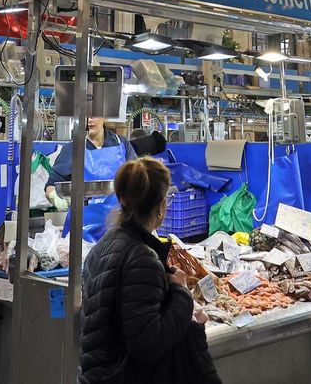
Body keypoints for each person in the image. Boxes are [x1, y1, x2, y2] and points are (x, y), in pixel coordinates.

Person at [79, 156, 217, 384]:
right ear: (161, 206)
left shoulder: (102, 246)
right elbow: (148, 345)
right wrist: (182, 294)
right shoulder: (142, 258)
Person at [49, 116, 135, 184]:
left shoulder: (120, 143)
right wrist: (54, 196)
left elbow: (136, 175)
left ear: (105, 117)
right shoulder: (72, 148)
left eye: (94, 115)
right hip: (83, 202)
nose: (89, 120)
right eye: (86, 115)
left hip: (118, 202)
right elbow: (54, 182)